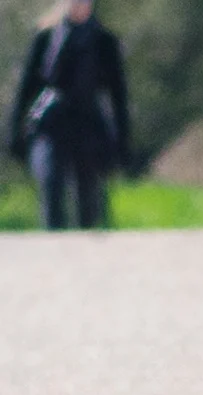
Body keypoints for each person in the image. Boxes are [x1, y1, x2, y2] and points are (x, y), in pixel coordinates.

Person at [7, 0, 130, 230]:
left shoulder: (104, 41)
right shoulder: (45, 38)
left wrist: (122, 139)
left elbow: (118, 94)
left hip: (89, 124)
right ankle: (54, 247)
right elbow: (27, 88)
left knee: (88, 195)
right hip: (52, 122)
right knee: (50, 183)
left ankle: (85, 253)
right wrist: (15, 129)